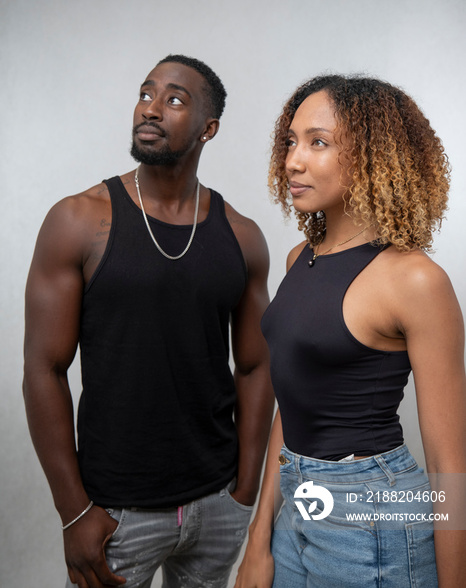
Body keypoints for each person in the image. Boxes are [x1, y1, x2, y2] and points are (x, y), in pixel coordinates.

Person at [23, 54, 274, 588]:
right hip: (116, 511)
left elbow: (255, 367)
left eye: (174, 99)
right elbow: (43, 369)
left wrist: (245, 491)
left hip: (217, 502)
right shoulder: (79, 220)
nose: (151, 109)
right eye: (145, 93)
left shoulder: (243, 236)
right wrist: (74, 512)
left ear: (209, 128)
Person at [235, 74, 466, 588]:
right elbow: (293, 406)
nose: (293, 160)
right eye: (290, 141)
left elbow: (450, 465)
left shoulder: (416, 280)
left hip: (373, 514)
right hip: (295, 503)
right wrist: (257, 542)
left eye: (318, 142)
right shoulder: (299, 259)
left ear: (373, 156)